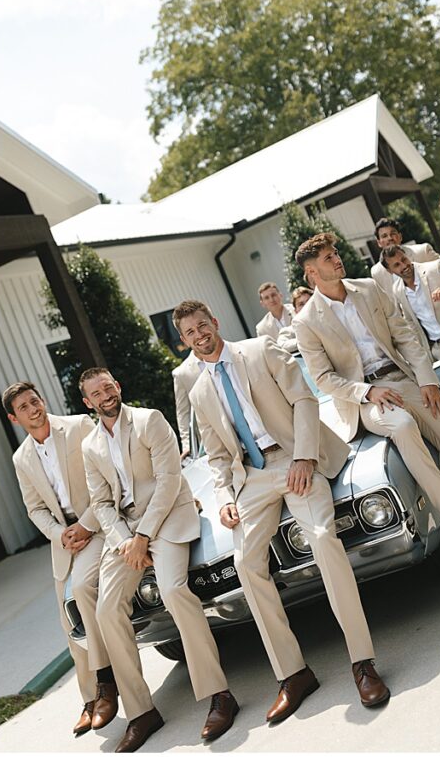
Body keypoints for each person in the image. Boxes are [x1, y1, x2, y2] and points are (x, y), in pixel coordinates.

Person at [174, 299, 388, 722]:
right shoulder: (197, 389)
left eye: (203, 325)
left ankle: (363, 663)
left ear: (215, 322)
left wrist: (305, 458)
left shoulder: (259, 349)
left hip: (295, 458)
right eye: (190, 333)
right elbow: (217, 454)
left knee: (324, 539)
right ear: (183, 341)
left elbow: (304, 401)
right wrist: (227, 498)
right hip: (252, 478)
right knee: (245, 563)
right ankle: (293, 674)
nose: (199, 336)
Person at [292, 232, 440, 551]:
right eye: (328, 257)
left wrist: (427, 379)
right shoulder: (305, 322)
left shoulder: (369, 288)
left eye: (335, 253)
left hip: (406, 381)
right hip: (367, 399)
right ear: (312, 273)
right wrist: (367, 392)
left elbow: (405, 336)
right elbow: (323, 378)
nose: (337, 258)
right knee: (402, 426)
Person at [79, 368, 237, 752]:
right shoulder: (90, 446)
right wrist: (124, 541)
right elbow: (100, 504)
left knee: (172, 588)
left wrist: (144, 537)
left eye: (108, 387)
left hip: (167, 519)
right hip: (126, 534)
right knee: (105, 611)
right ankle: (141, 712)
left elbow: (168, 480)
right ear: (88, 403)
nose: (105, 395)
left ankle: (219, 695)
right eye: (95, 393)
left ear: (118, 387)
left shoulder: (150, 420)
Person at [4, 381, 118, 737]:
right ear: (14, 418)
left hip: (97, 527)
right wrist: (59, 534)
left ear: (43, 401)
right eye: (24, 407)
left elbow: (107, 479)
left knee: (82, 591)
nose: (33, 409)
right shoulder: (21, 458)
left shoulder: (80, 427)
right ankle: (89, 701)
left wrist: (84, 526)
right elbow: (34, 509)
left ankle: (106, 681)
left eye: (34, 401)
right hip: (65, 543)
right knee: (71, 627)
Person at [172, 352, 202, 459]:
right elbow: (183, 413)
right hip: (212, 441)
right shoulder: (181, 374)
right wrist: (187, 445)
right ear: (183, 339)